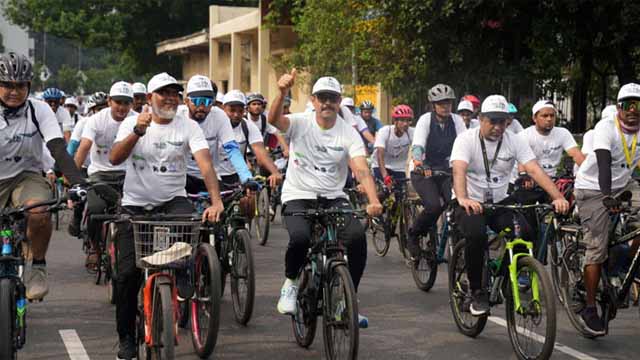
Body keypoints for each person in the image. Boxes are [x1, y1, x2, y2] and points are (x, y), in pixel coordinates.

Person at [109, 72, 224, 359]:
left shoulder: (187, 126)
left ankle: (185, 274)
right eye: (164, 93)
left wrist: (216, 201)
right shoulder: (131, 122)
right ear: (150, 99)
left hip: (173, 201)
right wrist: (137, 131)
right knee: (126, 277)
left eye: (175, 93)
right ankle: (126, 339)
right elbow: (114, 158)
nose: (170, 98)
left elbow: (205, 164)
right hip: (135, 205)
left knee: (192, 228)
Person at [269, 71, 382, 327]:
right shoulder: (301, 122)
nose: (327, 103)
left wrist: (373, 200)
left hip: (333, 198)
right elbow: (274, 119)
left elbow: (361, 168)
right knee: (300, 238)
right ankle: (291, 283)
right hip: (299, 195)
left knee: (356, 239)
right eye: (322, 98)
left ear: (339, 101)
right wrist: (281, 92)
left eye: (332, 98)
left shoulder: (348, 132)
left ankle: (345, 300)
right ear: (313, 100)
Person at [450, 94, 569, 315]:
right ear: (481, 118)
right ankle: (477, 291)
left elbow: (534, 169)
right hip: (469, 202)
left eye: (502, 121)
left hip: (500, 202)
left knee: (525, 232)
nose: (497, 127)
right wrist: (463, 197)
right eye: (492, 121)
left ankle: (505, 278)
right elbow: (459, 169)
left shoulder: (514, 140)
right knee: (476, 235)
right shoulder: (466, 139)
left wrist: (557, 197)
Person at [0, 52, 85, 300]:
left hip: (27, 176)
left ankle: (37, 267)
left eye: (20, 86)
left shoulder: (39, 110)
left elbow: (57, 147)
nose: (14, 91)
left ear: (29, 86)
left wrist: (77, 183)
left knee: (38, 212)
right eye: (7, 85)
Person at [573, 83, 640, 336]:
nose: (632, 110)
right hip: (593, 188)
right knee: (597, 249)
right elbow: (602, 165)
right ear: (618, 106)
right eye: (626, 105)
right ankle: (590, 307)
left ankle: (625, 266)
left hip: (625, 183)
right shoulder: (606, 127)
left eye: (638, 105)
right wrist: (607, 196)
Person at [72, 81, 137, 266]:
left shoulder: (137, 119)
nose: (122, 107)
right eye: (118, 102)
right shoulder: (96, 120)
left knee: (136, 214)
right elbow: (83, 148)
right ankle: (94, 247)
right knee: (95, 210)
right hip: (100, 174)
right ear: (109, 101)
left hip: (128, 175)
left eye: (126, 102)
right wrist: (75, 179)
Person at [407, 83, 467, 258]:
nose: (445, 106)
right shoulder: (425, 120)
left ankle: (458, 242)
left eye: (448, 103)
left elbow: (464, 143)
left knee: (457, 204)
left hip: (447, 170)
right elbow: (418, 145)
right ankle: (414, 234)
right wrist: (419, 162)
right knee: (434, 206)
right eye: (441, 103)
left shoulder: (457, 121)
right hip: (424, 171)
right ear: (433, 105)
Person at [181, 75, 253, 193]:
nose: (202, 107)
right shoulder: (177, 116)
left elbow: (231, 148)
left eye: (208, 102)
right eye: (197, 101)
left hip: (210, 177)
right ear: (186, 101)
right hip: (183, 177)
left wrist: (246, 177)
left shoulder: (219, 116)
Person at [220, 90, 282, 189]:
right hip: (213, 175)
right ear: (223, 108)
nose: (236, 115)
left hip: (235, 174)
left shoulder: (248, 126)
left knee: (248, 199)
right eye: (232, 110)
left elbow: (260, 152)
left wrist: (275, 172)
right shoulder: (214, 124)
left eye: (240, 111)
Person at [372, 104, 415, 186]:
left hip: (399, 168)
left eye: (408, 120)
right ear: (395, 121)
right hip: (380, 165)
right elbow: (379, 154)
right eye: (402, 120)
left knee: (401, 195)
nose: (405, 124)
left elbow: (419, 148)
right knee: (383, 192)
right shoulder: (385, 131)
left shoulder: (411, 132)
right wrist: (385, 175)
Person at [246, 92, 290, 156]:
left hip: (260, 153)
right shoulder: (243, 120)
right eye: (254, 104)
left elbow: (277, 133)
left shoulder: (265, 119)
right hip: (245, 153)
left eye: (259, 104)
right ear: (248, 107)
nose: (257, 106)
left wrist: (286, 148)